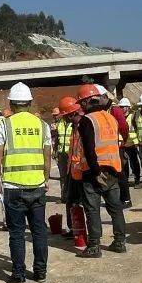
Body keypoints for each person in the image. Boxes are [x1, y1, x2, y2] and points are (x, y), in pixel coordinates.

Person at [0, 83, 53, 283]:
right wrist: (46, 179)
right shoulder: (42, 126)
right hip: (37, 186)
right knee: (39, 231)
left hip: (12, 187)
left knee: (17, 233)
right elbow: (47, 156)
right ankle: (40, 272)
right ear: (29, 102)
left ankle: (19, 275)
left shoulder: (3, 125)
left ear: (11, 103)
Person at [72, 83, 127, 255]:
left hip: (94, 172)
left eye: (81, 103)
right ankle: (120, 242)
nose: (81, 107)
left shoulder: (87, 120)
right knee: (116, 208)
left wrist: (96, 172)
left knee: (92, 209)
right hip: (114, 169)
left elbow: (89, 148)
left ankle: (94, 246)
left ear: (88, 101)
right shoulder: (110, 117)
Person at [57, 96, 83, 239]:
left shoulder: (85, 126)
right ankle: (74, 229)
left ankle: (87, 233)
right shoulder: (73, 127)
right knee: (70, 201)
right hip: (72, 170)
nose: (64, 119)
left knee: (87, 204)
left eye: (65, 116)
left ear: (72, 113)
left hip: (83, 171)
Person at [106, 89, 132, 208]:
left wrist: (124, 140)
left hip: (117, 146)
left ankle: (125, 199)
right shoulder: (105, 110)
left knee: (119, 172)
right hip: (108, 146)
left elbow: (123, 126)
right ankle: (116, 198)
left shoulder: (114, 110)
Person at [118, 97, 142, 188]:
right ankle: (126, 180)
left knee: (134, 162)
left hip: (132, 143)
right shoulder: (118, 118)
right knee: (124, 163)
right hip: (123, 144)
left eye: (123, 107)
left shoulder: (133, 117)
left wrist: (138, 141)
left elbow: (137, 128)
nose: (121, 109)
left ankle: (137, 179)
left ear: (128, 107)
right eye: (120, 107)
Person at [53, 103, 74, 203]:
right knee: (63, 177)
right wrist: (54, 150)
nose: (55, 117)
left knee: (73, 176)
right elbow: (57, 137)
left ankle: (75, 197)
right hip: (62, 154)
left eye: (56, 115)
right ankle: (64, 197)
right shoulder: (60, 123)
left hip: (71, 153)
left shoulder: (73, 122)